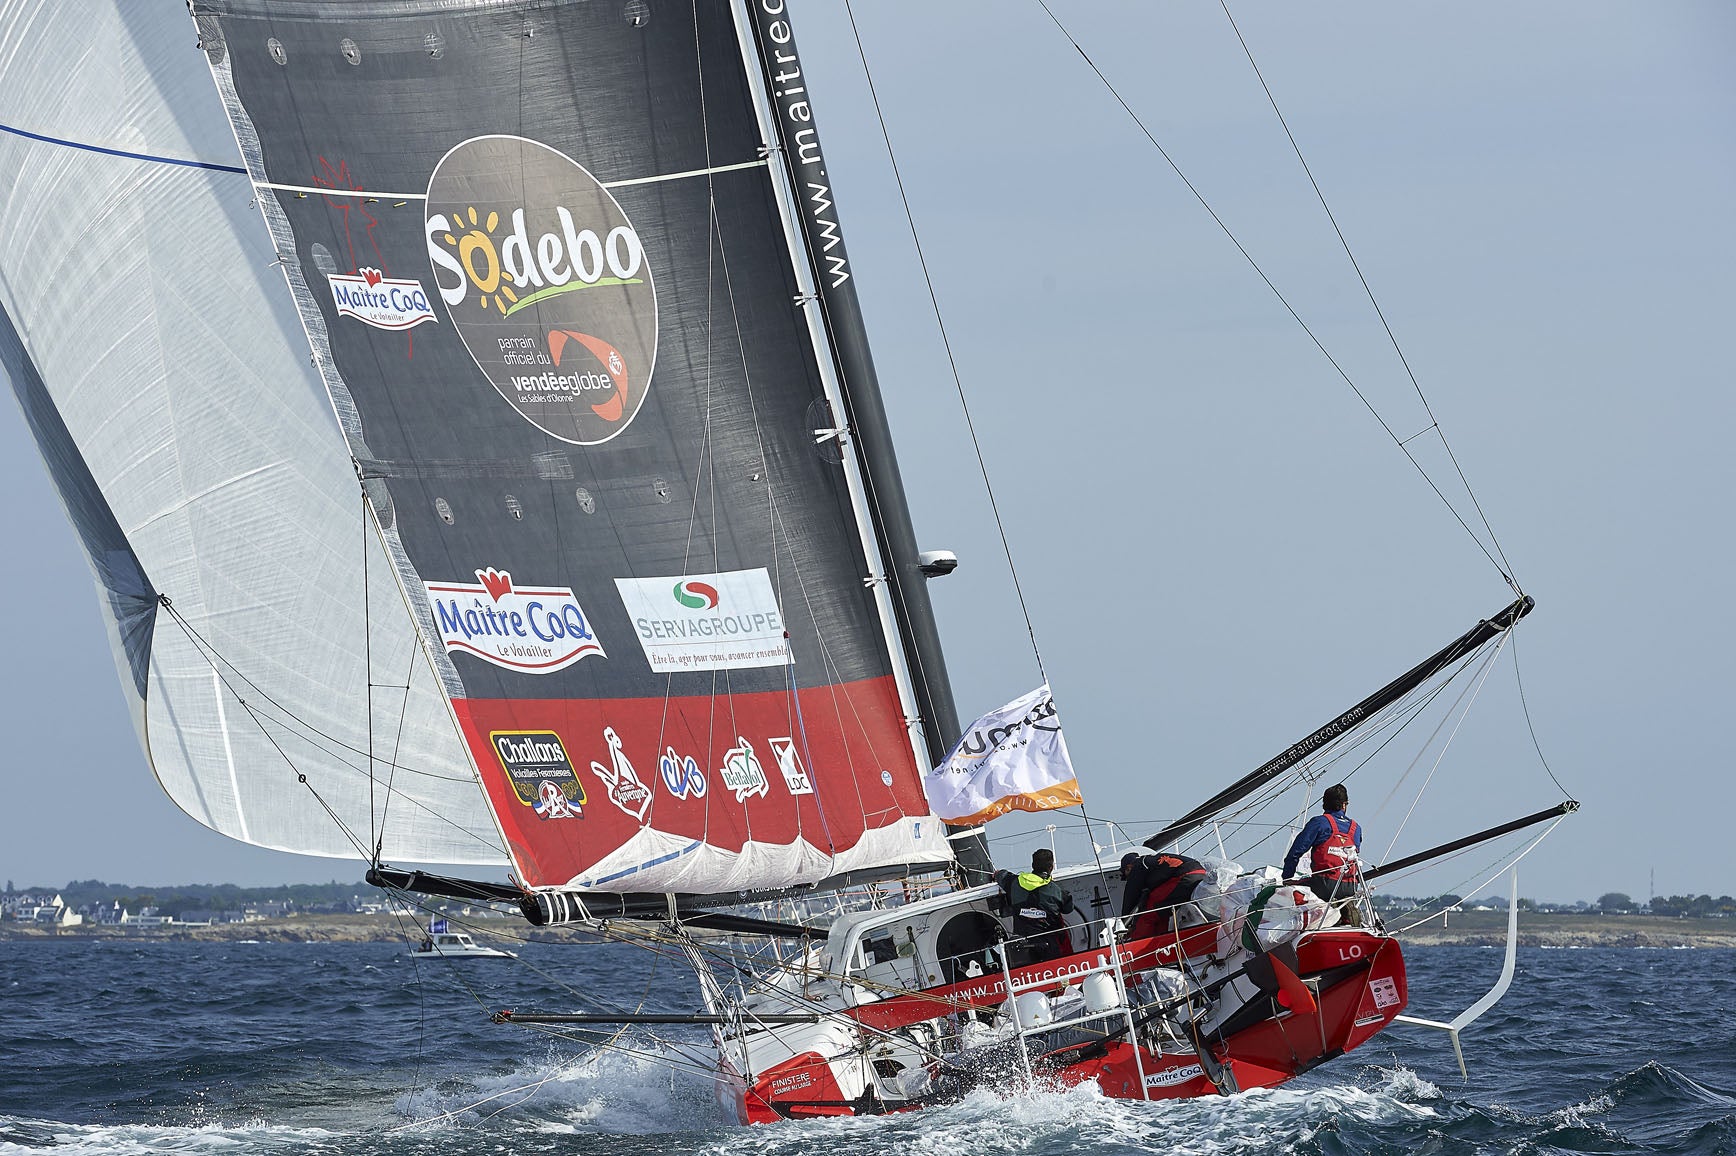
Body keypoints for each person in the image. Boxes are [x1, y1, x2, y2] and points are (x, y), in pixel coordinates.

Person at [1283, 783, 1364, 921]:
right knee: (1338, 893)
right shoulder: (1356, 828)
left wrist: (1286, 879)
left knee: (1293, 889)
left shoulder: (1319, 823)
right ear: (1344, 805)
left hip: (1323, 885)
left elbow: (1295, 853)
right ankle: (1344, 916)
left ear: (1324, 805)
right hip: (1350, 886)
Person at [994, 848, 1075, 963]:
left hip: (1022, 948)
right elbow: (1068, 909)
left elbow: (1001, 875)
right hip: (1050, 946)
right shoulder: (1056, 891)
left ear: (1032, 865)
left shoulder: (1014, 883)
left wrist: (997, 874)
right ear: (1051, 867)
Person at [1119, 851, 1209, 940]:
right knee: (1161, 912)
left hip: (1184, 875)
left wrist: (1123, 924)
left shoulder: (1138, 866)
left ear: (1128, 868)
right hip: (1200, 874)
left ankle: (1140, 945)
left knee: (1147, 913)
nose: (1128, 879)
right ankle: (1163, 939)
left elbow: (1130, 896)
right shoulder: (1152, 861)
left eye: (1126, 876)